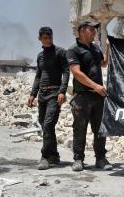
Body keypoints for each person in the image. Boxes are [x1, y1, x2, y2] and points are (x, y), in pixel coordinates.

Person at [66, 20, 110, 172]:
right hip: (82, 96)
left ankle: (101, 158)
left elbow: (103, 63)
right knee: (80, 128)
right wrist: (95, 86)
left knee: (100, 129)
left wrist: (109, 47)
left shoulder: (95, 48)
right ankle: (78, 159)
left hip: (98, 96)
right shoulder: (73, 50)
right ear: (83, 31)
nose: (95, 33)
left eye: (95, 30)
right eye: (92, 30)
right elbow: (77, 73)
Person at [28, 26, 69, 170]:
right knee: (45, 125)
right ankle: (55, 155)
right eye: (45, 37)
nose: (48, 39)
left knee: (48, 124)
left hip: (54, 94)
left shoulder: (60, 52)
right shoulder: (40, 56)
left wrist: (62, 91)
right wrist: (33, 94)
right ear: (39, 38)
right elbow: (38, 76)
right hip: (42, 95)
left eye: (50, 36)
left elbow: (66, 72)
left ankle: (45, 157)